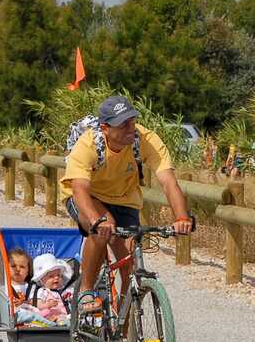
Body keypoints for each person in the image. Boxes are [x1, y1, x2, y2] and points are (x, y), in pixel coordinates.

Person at [61, 95, 192, 313]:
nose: (130, 128)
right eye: (122, 124)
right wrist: (95, 220)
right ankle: (86, 290)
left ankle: (124, 330)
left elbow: (169, 182)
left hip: (125, 200)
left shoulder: (144, 139)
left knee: (130, 263)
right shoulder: (90, 144)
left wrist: (181, 218)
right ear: (105, 128)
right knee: (103, 227)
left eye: (132, 121)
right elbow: (80, 189)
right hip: (87, 198)